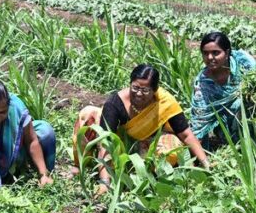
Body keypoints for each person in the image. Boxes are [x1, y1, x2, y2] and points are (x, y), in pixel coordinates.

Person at [72, 64, 209, 187]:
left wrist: (205, 164)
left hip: (149, 141)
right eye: (135, 88)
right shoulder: (115, 103)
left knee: (170, 152)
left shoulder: (164, 102)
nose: (138, 93)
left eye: (145, 90)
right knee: (87, 115)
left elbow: (185, 134)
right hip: (121, 141)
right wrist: (104, 183)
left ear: (155, 90)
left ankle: (143, 172)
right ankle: (81, 164)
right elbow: (106, 142)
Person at [190, 31, 256, 152]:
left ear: (226, 53)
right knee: (238, 107)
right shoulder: (204, 84)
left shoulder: (242, 62)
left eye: (215, 53)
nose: (210, 58)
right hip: (231, 124)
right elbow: (200, 119)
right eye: (205, 53)